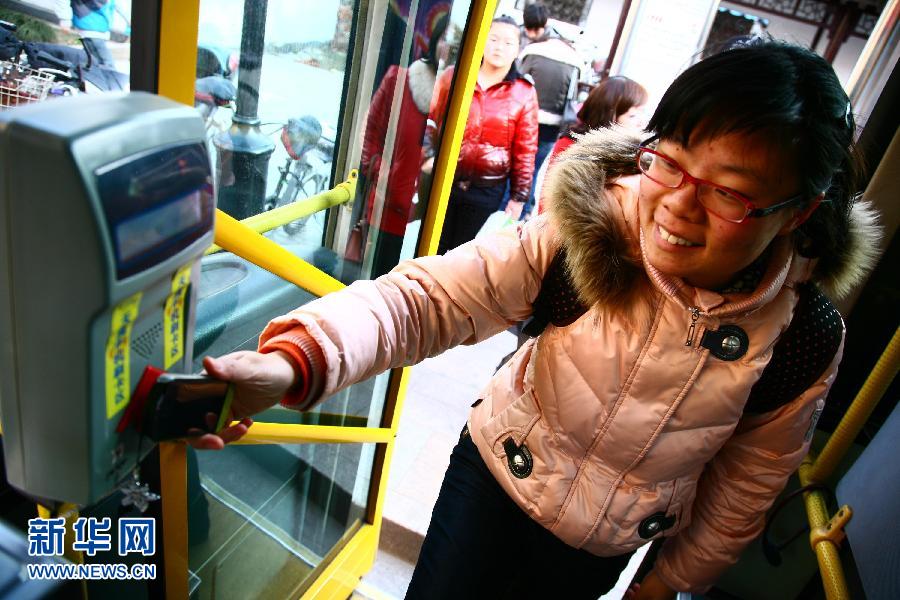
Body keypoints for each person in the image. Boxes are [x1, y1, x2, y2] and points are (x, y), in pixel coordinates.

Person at [192, 39, 880, 599]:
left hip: (602, 546)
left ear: (800, 212)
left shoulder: (800, 336)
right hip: (492, 478)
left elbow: (745, 488)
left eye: (727, 192)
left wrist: (666, 583)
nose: (675, 205)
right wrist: (292, 362)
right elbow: (430, 299)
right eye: (668, 162)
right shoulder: (591, 230)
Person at [421, 16, 538, 254]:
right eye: (493, 39)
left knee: (461, 253)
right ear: (481, 41)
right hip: (443, 178)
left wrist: (518, 197)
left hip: (486, 190)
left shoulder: (523, 92)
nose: (499, 47)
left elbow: (526, 149)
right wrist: (426, 156)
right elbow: (429, 120)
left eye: (508, 43)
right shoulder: (454, 76)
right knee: (429, 246)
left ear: (518, 50)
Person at [360, 9, 450, 278]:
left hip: (430, 216)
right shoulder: (399, 79)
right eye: (444, 38)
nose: (447, 47)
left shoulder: (462, 96)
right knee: (376, 280)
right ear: (434, 40)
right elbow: (372, 132)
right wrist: (380, 174)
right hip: (389, 205)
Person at [533, 75, 648, 215]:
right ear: (609, 116)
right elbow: (550, 201)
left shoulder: (638, 153)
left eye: (642, 113)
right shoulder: (572, 145)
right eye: (632, 116)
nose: (641, 121)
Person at [517, 21, 582, 220]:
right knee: (535, 166)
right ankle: (525, 209)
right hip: (552, 123)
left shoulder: (532, 50)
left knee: (518, 161)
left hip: (524, 115)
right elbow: (573, 95)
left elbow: (517, 81)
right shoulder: (575, 60)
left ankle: (512, 205)